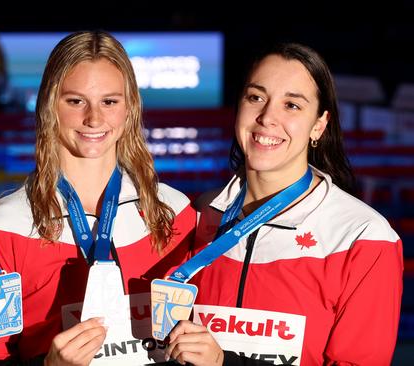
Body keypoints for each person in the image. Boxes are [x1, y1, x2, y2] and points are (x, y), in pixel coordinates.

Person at [166, 43, 403, 365]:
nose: (267, 118)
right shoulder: (198, 216)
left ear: (319, 125)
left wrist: (226, 362)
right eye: (256, 97)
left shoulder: (363, 236)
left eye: (291, 105)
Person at [0, 30, 196, 364]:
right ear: (50, 105)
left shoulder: (174, 213)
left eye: (109, 101)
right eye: (76, 101)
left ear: (130, 107)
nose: (93, 118)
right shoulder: (3, 228)